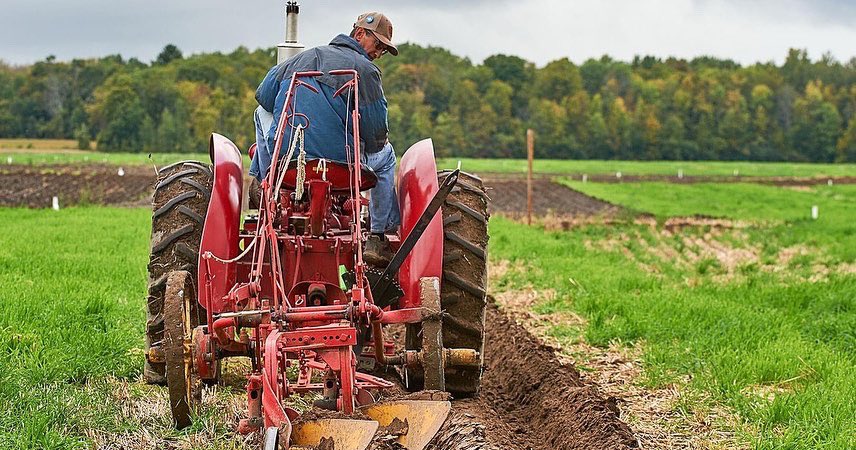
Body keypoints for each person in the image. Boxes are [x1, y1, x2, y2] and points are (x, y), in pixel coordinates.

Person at [250, 12, 400, 266]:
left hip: (288, 167)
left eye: (384, 50)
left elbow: (263, 96)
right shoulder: (366, 70)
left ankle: (265, 186)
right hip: (342, 169)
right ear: (360, 34)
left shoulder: (299, 59)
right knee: (386, 157)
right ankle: (378, 235)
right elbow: (376, 134)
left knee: (260, 114)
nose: (378, 53)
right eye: (378, 45)